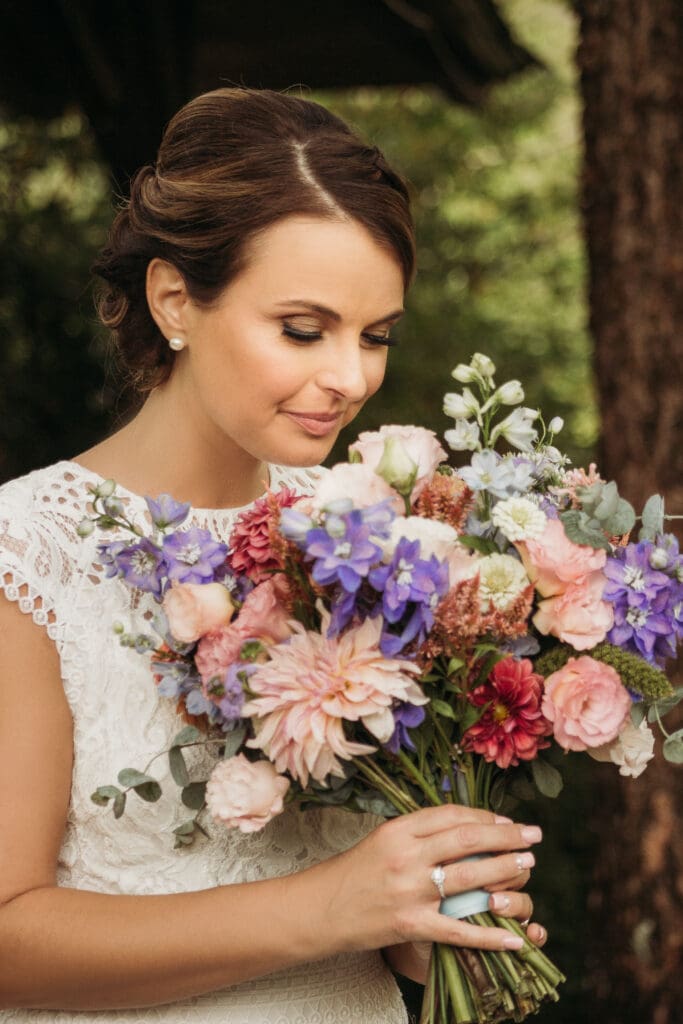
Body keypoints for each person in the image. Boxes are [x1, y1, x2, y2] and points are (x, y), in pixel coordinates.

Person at [0, 88, 546, 1022]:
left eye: (375, 336)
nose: (348, 378)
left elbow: (377, 886)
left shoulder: (370, 532)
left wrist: (428, 920)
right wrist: (331, 908)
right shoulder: (27, 554)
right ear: (174, 299)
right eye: (304, 329)